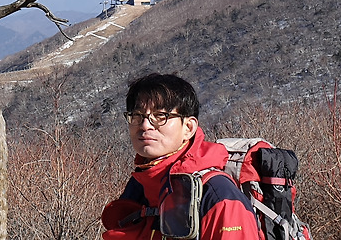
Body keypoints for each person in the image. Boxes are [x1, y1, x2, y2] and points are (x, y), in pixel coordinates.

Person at [101, 73, 263, 240]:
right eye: (137, 116)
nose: (145, 125)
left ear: (189, 128)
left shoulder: (218, 195)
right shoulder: (140, 188)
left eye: (160, 116)